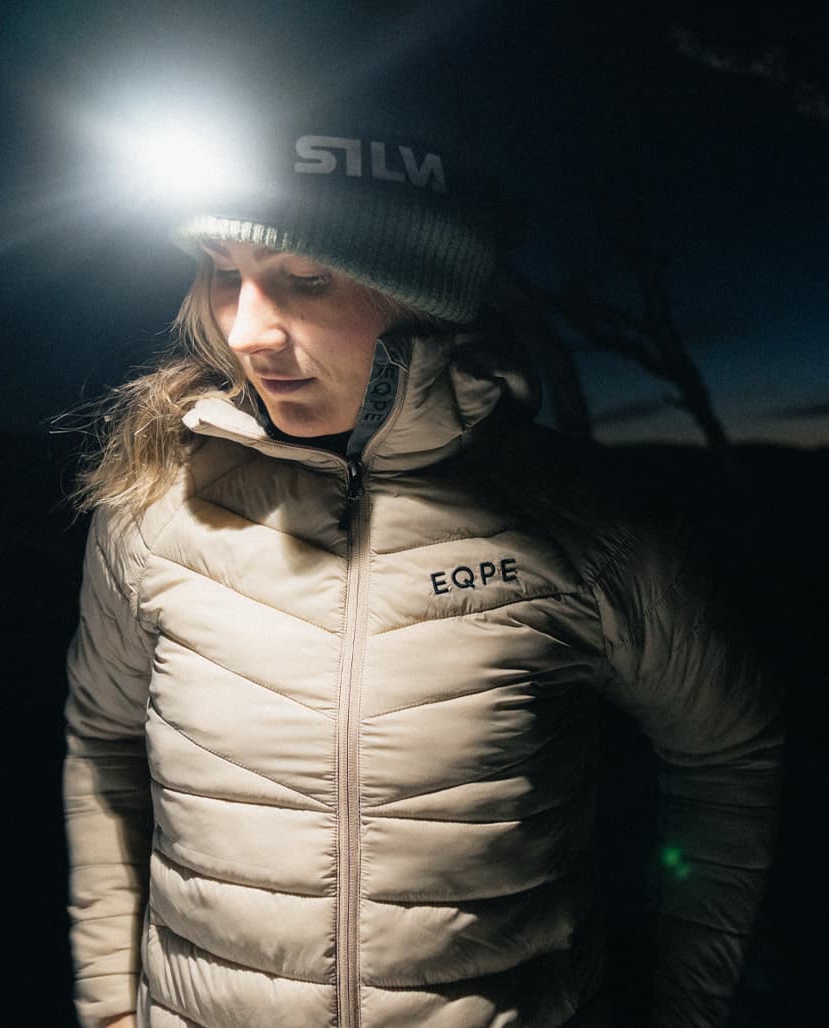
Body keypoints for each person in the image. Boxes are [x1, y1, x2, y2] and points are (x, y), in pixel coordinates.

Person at [61, 94, 782, 1028]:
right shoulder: (157, 511)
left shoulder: (585, 533)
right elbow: (102, 743)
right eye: (223, 273)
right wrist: (112, 1008)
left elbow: (730, 750)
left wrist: (686, 1008)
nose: (245, 330)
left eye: (306, 277)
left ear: (422, 290)